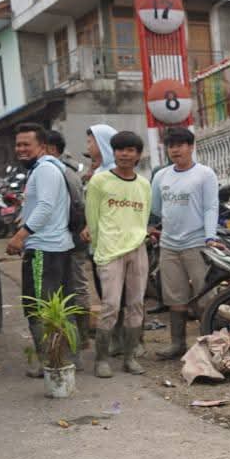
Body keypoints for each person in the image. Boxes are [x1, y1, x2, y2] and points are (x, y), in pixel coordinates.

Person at [6, 122, 76, 376]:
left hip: (44, 250)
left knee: (37, 307)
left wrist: (20, 236)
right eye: (18, 144)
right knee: (59, 306)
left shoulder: (44, 170)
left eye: (27, 144)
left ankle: (51, 362)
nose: (21, 149)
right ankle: (66, 358)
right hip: (58, 247)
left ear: (42, 147)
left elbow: (46, 207)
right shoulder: (50, 168)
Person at [149, 125, 220, 359]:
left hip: (197, 243)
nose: (175, 150)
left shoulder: (205, 174)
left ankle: (210, 343)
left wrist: (210, 236)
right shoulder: (161, 176)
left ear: (191, 147)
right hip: (169, 245)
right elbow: (156, 208)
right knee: (174, 297)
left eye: (180, 145)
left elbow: (211, 207)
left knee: (205, 295)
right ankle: (177, 344)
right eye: (171, 146)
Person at [85, 131, 152, 377]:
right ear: (113, 153)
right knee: (110, 305)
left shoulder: (144, 185)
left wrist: (139, 238)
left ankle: (130, 357)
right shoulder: (99, 181)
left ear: (138, 154)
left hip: (138, 249)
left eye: (130, 150)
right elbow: (92, 219)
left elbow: (142, 218)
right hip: (109, 251)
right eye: (120, 150)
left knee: (136, 305)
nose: (125, 154)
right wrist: (97, 249)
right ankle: (102, 360)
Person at [44, 128, 93, 353]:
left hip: (69, 240)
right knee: (71, 287)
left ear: (51, 149)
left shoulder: (63, 172)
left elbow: (77, 207)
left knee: (75, 287)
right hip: (67, 239)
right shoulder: (63, 170)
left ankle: (80, 339)